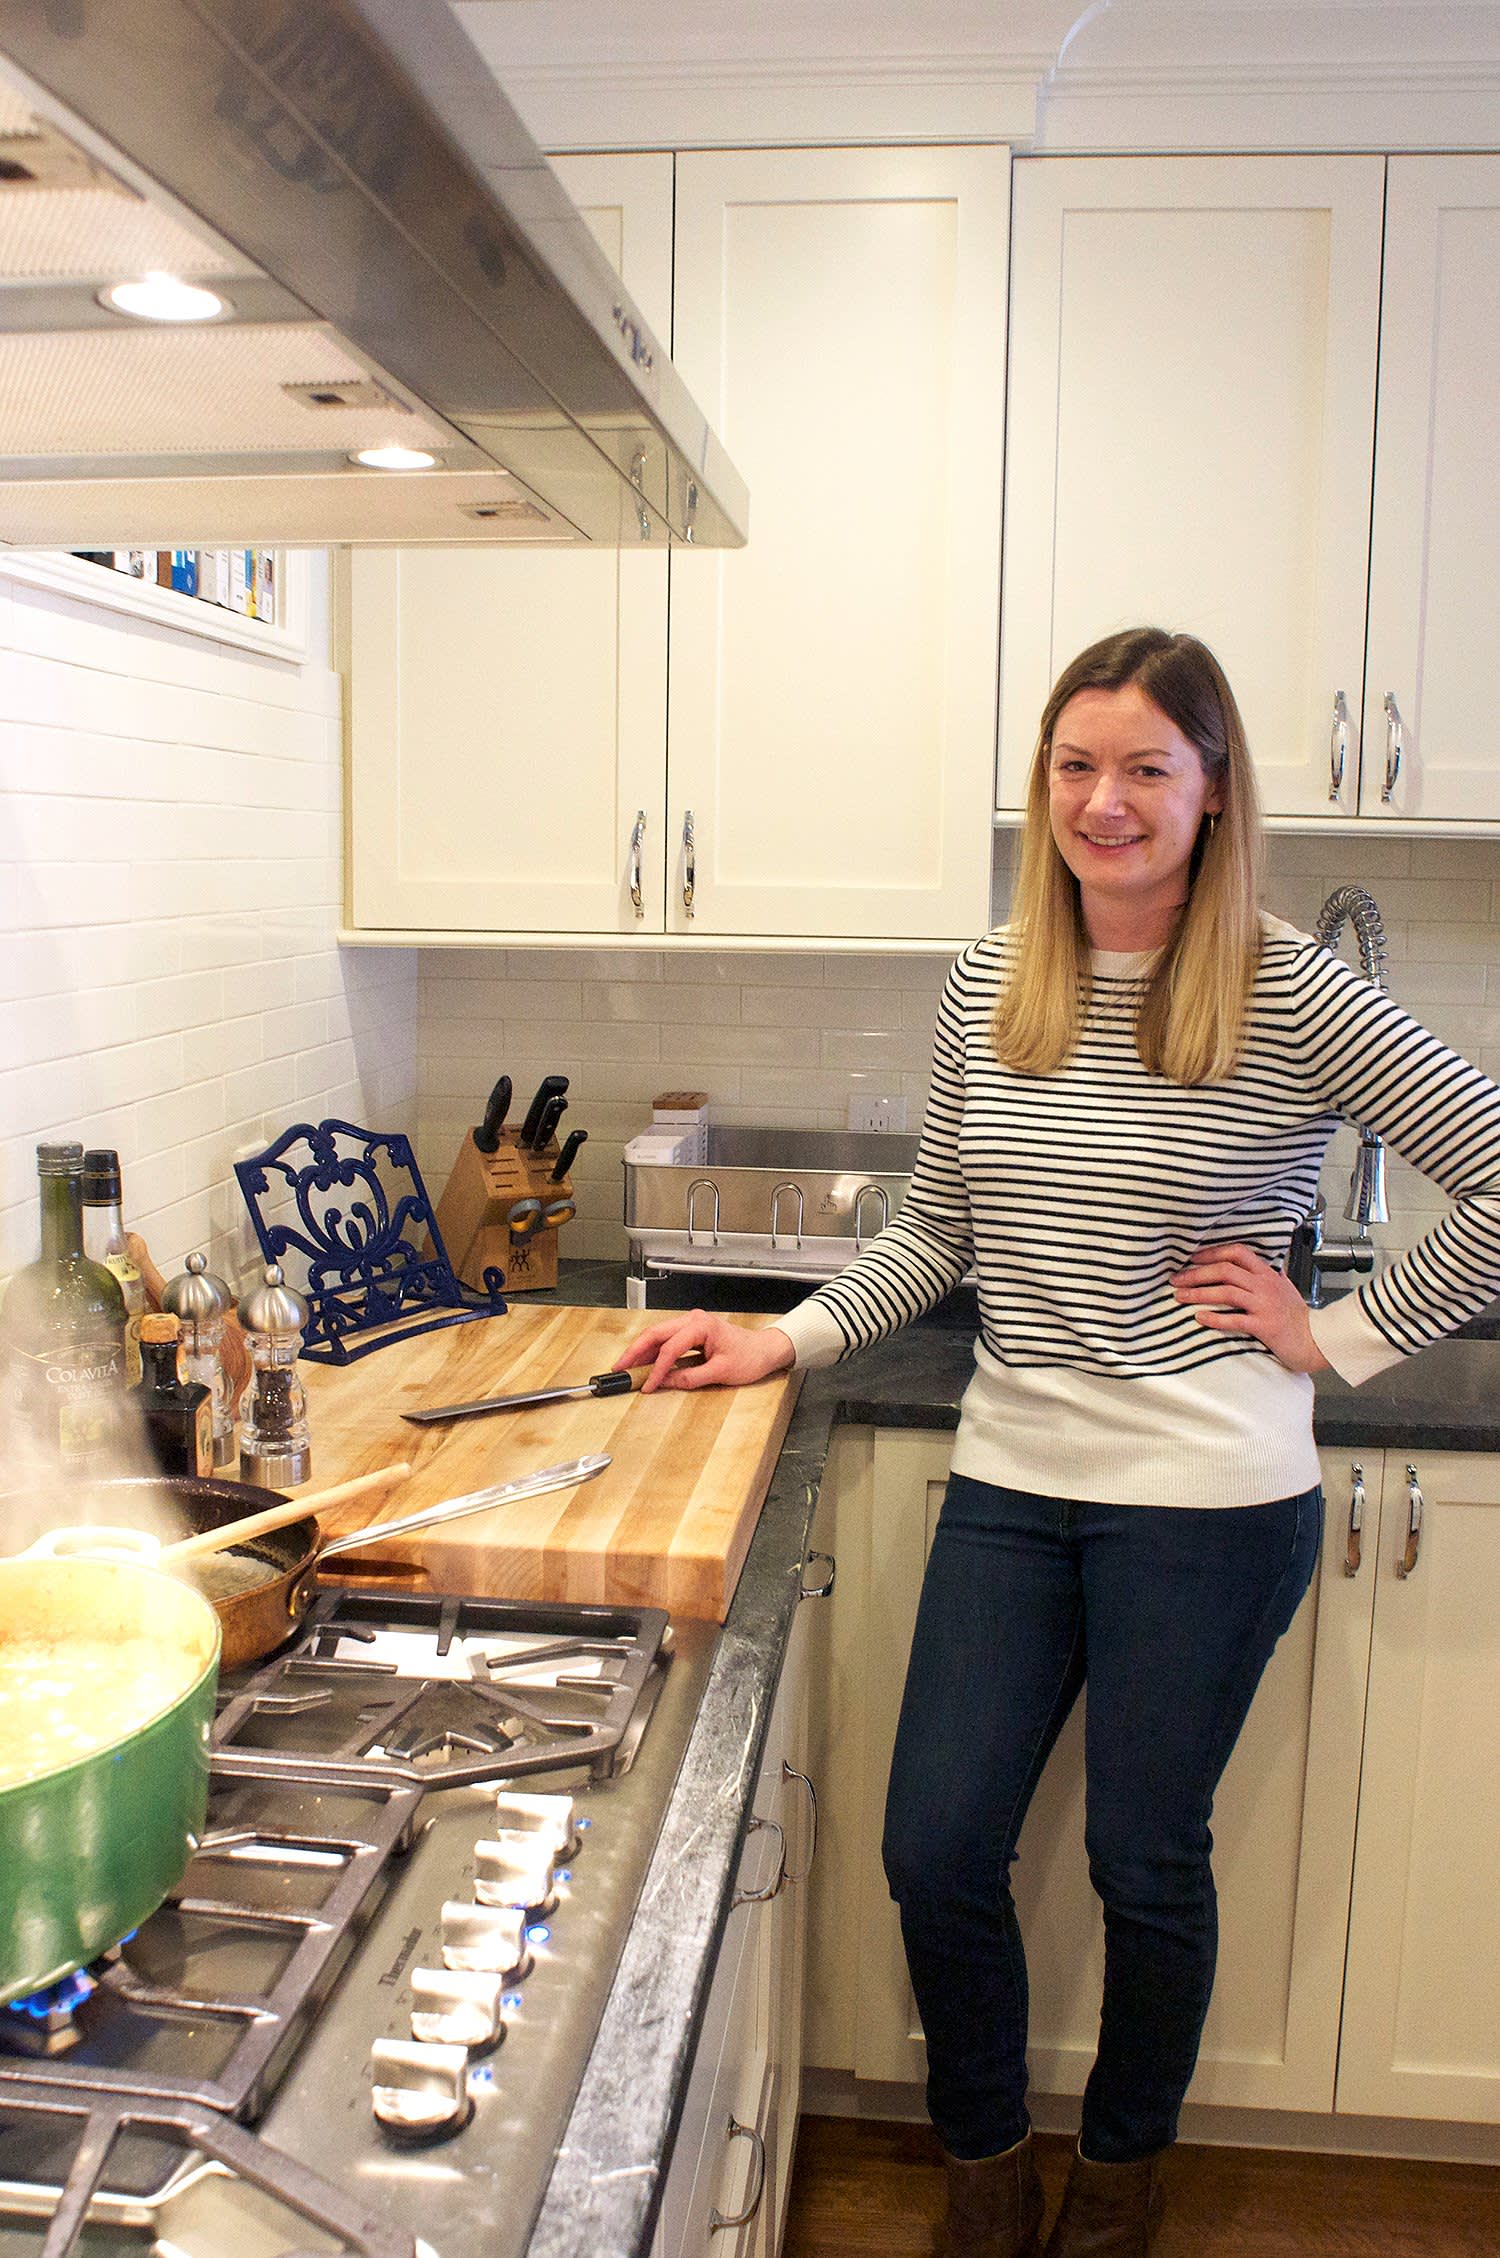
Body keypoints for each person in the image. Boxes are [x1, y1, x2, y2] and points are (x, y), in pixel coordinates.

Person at [615, 628, 1500, 2258]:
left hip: (1212, 1496)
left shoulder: (1293, 985)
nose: (1105, 801)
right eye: (1076, 765)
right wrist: (779, 1334)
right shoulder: (990, 981)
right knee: (936, 1844)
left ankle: (1115, 2192)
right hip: (1016, 1471)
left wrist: (1340, 1334)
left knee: (1140, 1858)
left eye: (1146, 767)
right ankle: (982, 2169)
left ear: (1214, 792)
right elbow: (937, 1225)